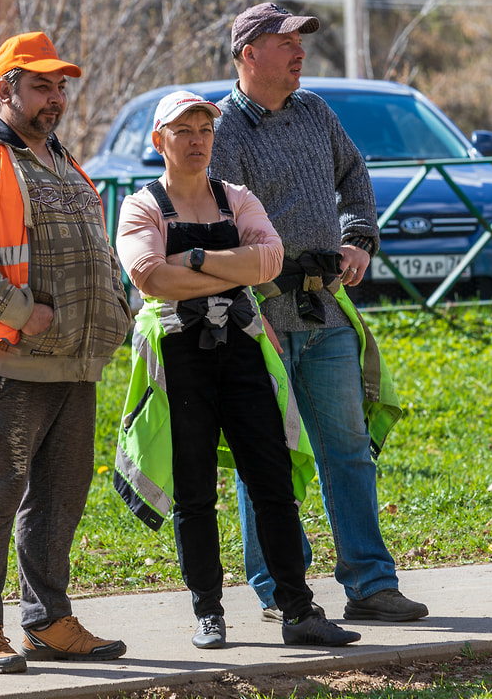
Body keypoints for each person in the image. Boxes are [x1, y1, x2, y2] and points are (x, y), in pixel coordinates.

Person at [112, 90, 361, 650]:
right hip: (180, 356)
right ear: (160, 141)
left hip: (243, 349)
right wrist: (232, 270)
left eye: (205, 130)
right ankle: (208, 611)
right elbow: (148, 276)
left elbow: (269, 261)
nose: (198, 140)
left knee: (271, 481)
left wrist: (193, 260)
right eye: (184, 131)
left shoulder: (236, 197)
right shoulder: (141, 206)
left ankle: (298, 610)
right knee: (195, 489)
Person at [209, 3, 428, 623]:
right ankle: (282, 589)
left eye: (301, 40)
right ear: (249, 53)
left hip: (326, 308)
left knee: (348, 448)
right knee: (266, 458)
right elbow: (219, 228)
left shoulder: (314, 111)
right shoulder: (223, 130)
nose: (300, 51)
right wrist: (246, 310)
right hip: (262, 315)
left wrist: (358, 235)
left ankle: (371, 585)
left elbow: (354, 173)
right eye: (286, 42)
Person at [0, 31, 133, 674]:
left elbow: (91, 250)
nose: (56, 97)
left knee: (59, 500)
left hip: (72, 363)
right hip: (5, 362)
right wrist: (18, 311)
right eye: (41, 84)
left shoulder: (61, 159)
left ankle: (48, 618)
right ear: (4, 88)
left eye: (60, 85)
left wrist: (114, 315)